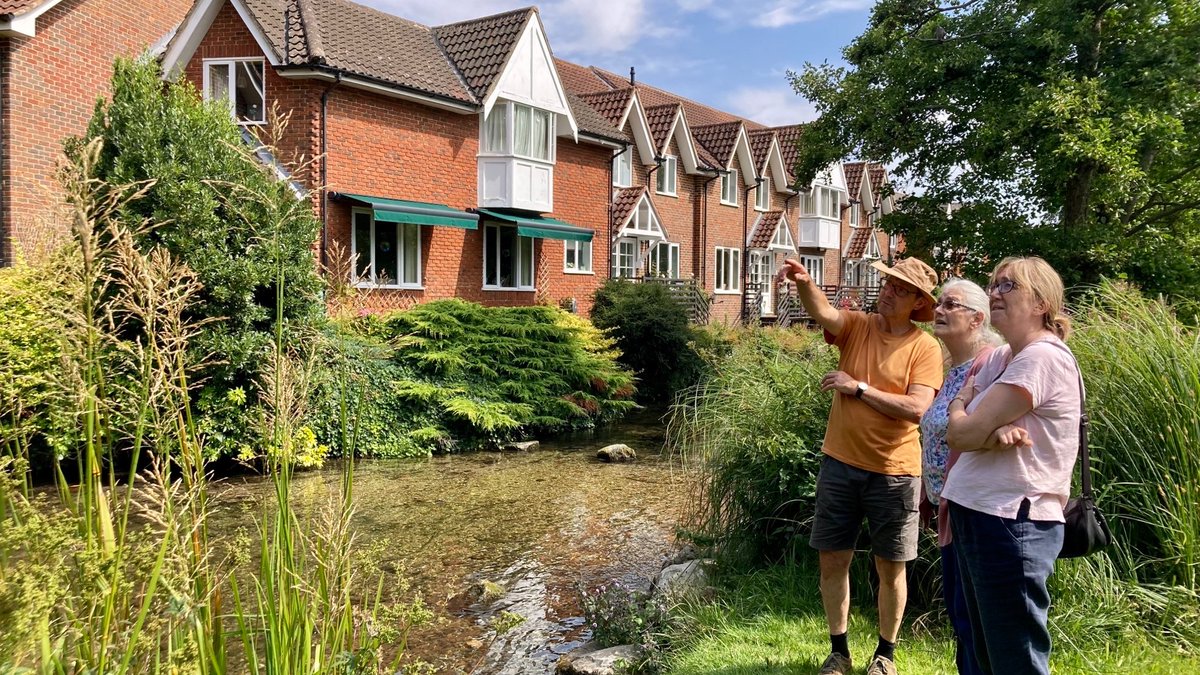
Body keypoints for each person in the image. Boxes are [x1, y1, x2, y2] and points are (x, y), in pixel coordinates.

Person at [779, 256, 944, 675]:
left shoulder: (924, 348)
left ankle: (885, 655)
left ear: (918, 302)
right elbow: (825, 312)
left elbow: (917, 408)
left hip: (895, 472)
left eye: (901, 289)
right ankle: (839, 652)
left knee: (890, 567)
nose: (889, 292)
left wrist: (858, 388)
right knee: (833, 560)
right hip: (840, 464)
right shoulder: (859, 326)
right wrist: (804, 281)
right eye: (888, 284)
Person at [942, 256, 1081, 675]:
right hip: (977, 511)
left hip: (1012, 521)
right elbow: (960, 419)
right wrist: (975, 416)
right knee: (985, 652)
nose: (995, 293)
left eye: (1008, 286)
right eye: (994, 285)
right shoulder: (1002, 355)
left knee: (1014, 659)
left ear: (1040, 303)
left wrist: (968, 415)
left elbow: (959, 434)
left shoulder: (1042, 358)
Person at [918, 279, 1001, 675]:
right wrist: (928, 491)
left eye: (951, 304)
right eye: (939, 303)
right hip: (949, 510)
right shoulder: (953, 369)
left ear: (977, 319)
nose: (939, 310)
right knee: (961, 614)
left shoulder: (990, 365)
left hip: (976, 511)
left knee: (973, 619)